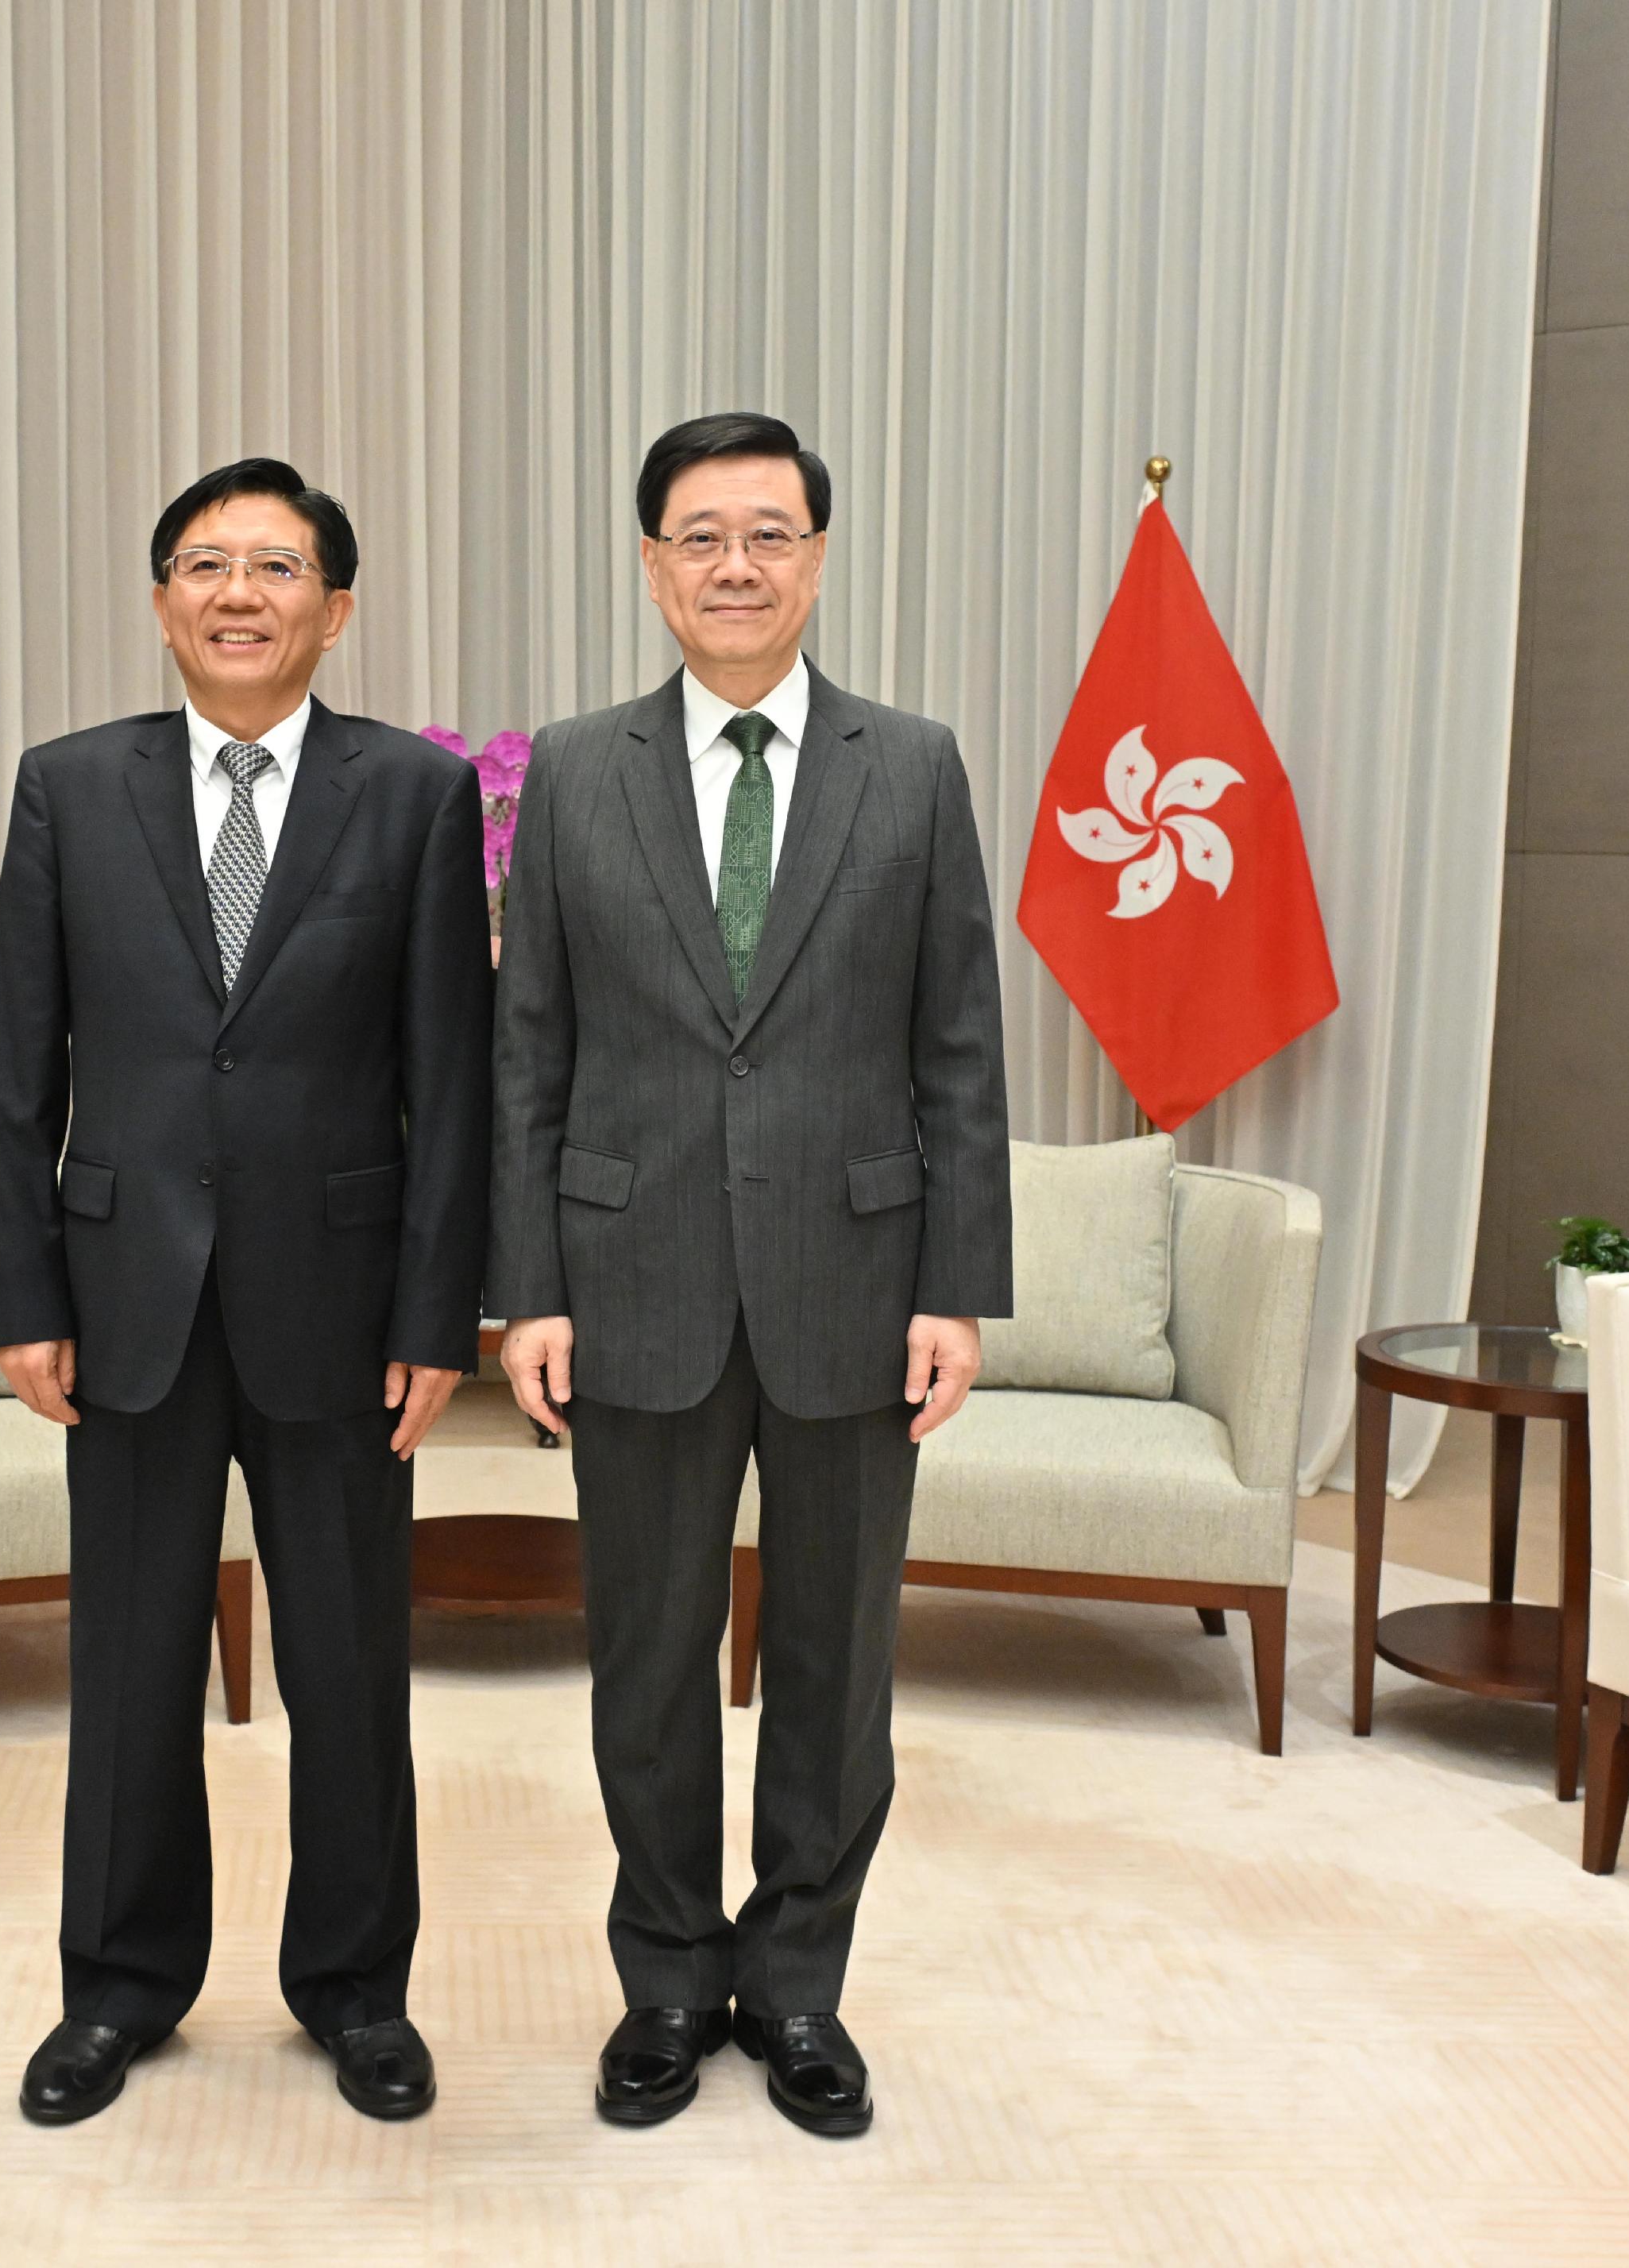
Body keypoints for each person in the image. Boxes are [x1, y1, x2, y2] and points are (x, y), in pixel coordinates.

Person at [488, 412, 1013, 2137]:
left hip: (855, 1286)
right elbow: (528, 1052)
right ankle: (661, 1980)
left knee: (835, 1665)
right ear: (649, 565)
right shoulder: (570, 767)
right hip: (625, 1277)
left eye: (766, 533)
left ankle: (796, 1990)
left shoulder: (910, 764)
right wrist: (525, 1289)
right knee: (643, 1664)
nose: (733, 564)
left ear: (815, 556)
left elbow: (957, 1049)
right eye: (697, 535)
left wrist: (957, 1289)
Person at [0, 457, 492, 2126]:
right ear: (159, 603)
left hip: (339, 1309)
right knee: (127, 1666)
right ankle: (117, 1987)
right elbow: (11, 1073)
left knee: (348, 1667)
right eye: (205, 563)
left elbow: (451, 1085)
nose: (239, 592)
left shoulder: (410, 796)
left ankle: (354, 1991)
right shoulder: (66, 787)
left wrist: (435, 1318)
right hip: (122, 1295)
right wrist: (19, 1292)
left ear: (334, 608)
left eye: (277, 566)